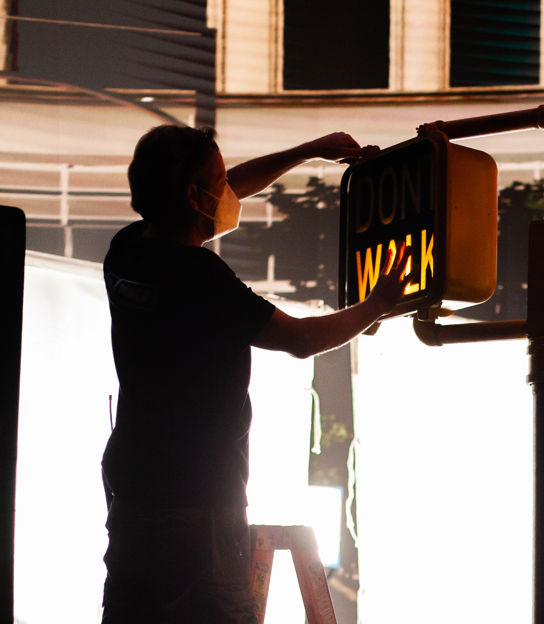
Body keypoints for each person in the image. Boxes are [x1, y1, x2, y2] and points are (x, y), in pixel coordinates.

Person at [100, 124, 409, 623]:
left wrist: (306, 150)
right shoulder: (201, 278)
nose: (229, 189)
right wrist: (377, 304)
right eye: (217, 181)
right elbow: (302, 340)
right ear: (193, 197)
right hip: (198, 502)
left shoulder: (128, 249)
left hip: (133, 486)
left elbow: (231, 189)